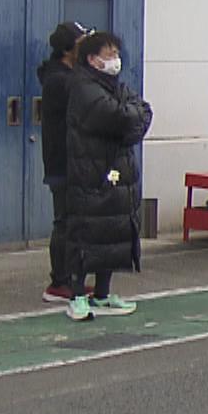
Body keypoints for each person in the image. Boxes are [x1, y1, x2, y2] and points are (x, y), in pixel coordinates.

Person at [61, 31, 154, 322]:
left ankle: (102, 293)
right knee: (86, 234)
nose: (115, 60)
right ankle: (77, 294)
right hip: (91, 174)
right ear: (92, 59)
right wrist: (130, 119)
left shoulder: (116, 86)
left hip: (118, 172)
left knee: (112, 233)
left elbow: (142, 113)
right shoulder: (83, 87)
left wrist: (131, 120)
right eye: (108, 54)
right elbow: (117, 116)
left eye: (116, 53)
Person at [37, 21, 88, 303]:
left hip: (72, 161)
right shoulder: (60, 80)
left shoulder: (67, 75)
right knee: (65, 222)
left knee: (75, 221)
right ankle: (59, 281)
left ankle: (72, 278)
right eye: (81, 43)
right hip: (63, 162)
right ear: (69, 49)